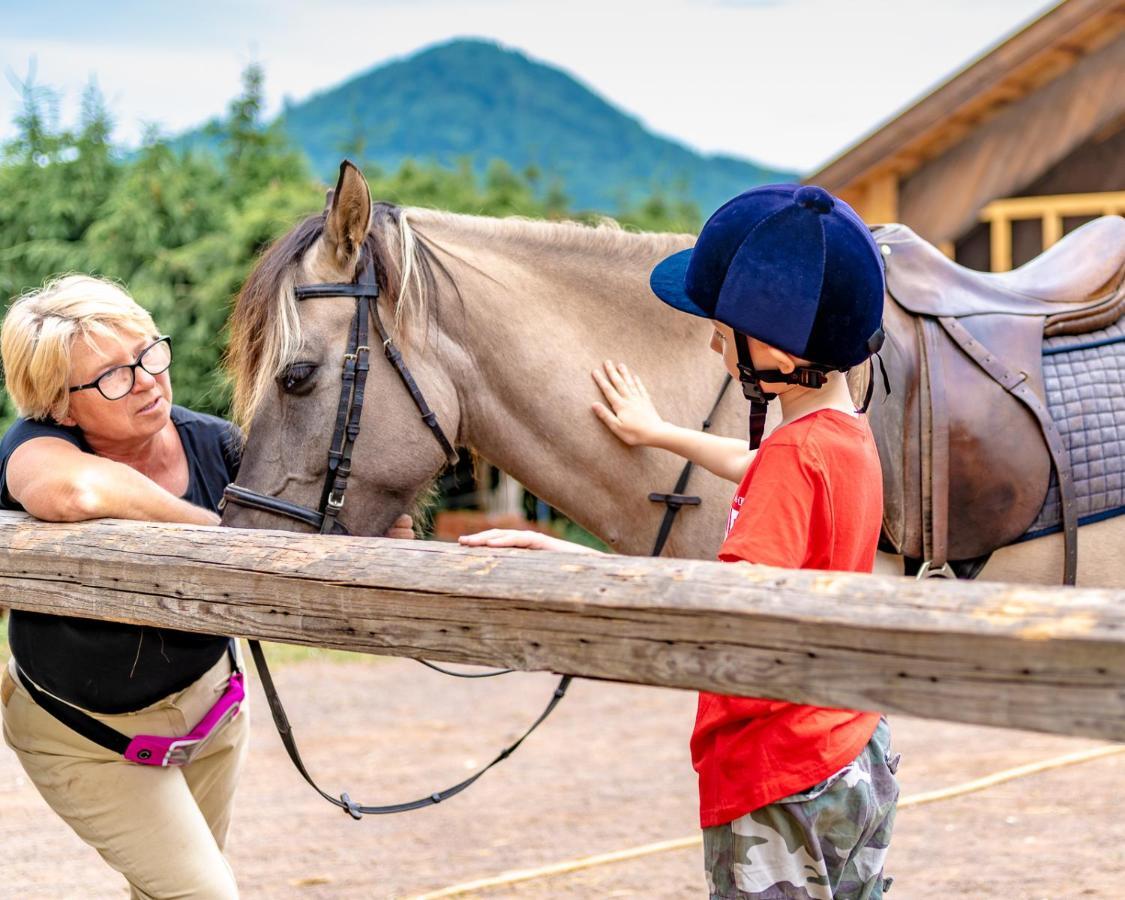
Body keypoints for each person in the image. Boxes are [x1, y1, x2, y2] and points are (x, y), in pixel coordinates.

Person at [461, 184, 899, 899]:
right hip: (849, 746)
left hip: (775, 769)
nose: (712, 341)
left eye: (725, 331)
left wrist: (574, 564)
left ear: (779, 350)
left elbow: (717, 613)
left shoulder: (794, 458)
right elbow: (757, 465)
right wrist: (657, 431)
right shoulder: (841, 437)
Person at [0, 273, 411, 898]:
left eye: (148, 353)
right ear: (59, 403)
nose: (146, 380)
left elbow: (327, 532)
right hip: (86, 737)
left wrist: (379, 519)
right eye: (112, 376)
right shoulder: (36, 445)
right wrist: (223, 535)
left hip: (213, 719)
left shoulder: (220, 444)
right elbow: (77, 490)